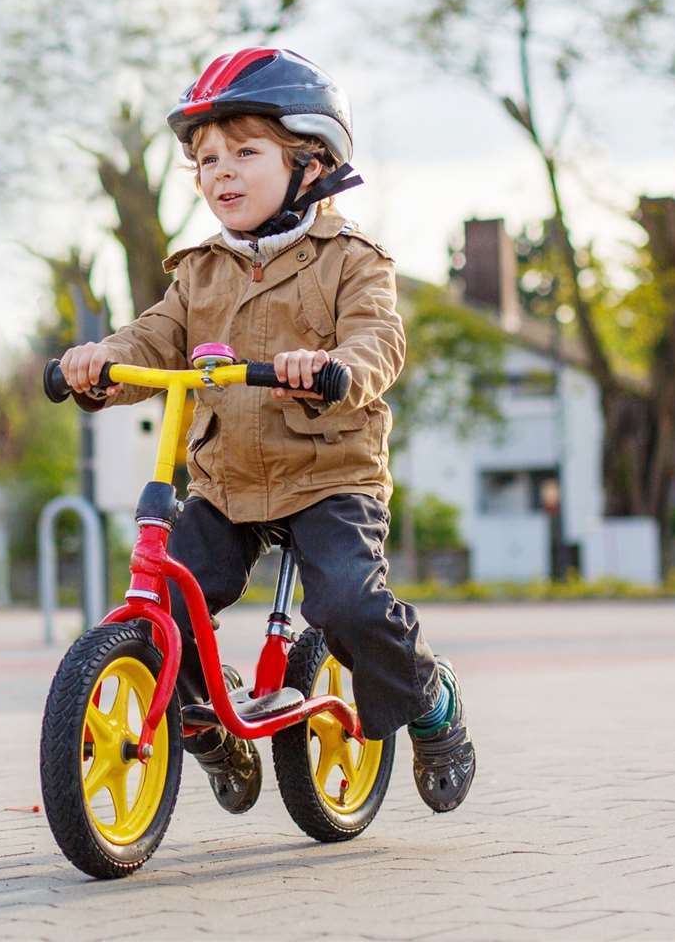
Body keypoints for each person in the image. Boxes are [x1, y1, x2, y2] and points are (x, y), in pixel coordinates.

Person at [58, 48, 475, 814]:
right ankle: (208, 727)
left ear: (310, 162)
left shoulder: (352, 260)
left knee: (347, 604)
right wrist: (99, 363)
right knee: (168, 599)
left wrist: (336, 369)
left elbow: (378, 340)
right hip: (228, 482)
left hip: (328, 476)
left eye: (245, 152)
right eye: (207, 159)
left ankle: (430, 698)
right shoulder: (200, 271)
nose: (221, 171)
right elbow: (152, 339)